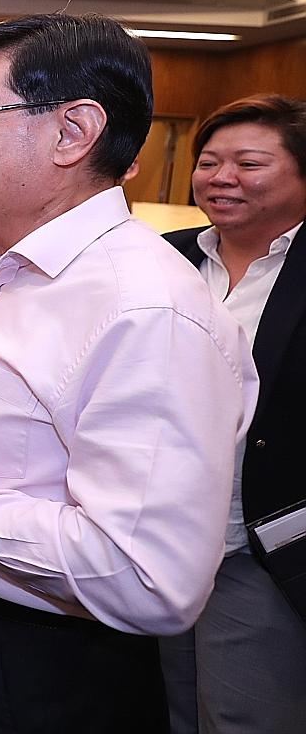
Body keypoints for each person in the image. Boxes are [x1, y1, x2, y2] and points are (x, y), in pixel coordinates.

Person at [0, 13, 257, 734]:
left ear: (73, 132)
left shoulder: (147, 312)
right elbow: (27, 457)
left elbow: (146, 579)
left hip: (32, 669)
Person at [158, 94, 306, 734]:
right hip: (156, 539)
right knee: (172, 708)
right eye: (209, 162)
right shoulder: (166, 258)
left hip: (262, 541)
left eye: (248, 163)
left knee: (244, 715)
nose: (221, 178)